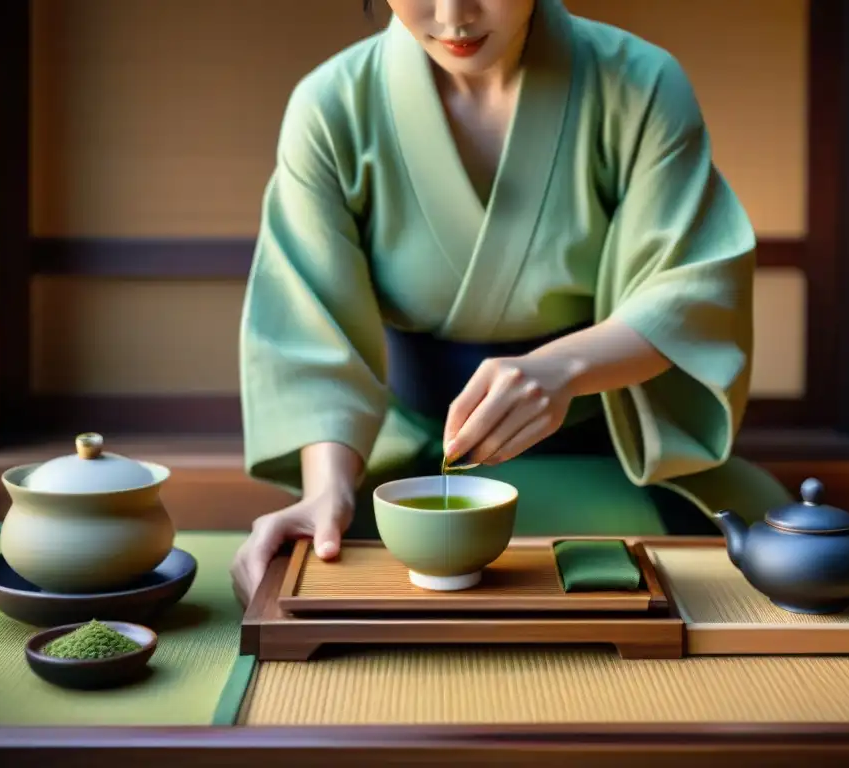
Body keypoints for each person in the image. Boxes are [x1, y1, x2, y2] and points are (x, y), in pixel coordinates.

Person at [231, 0, 793, 603]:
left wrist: (562, 370)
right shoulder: (332, 106)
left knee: (740, 577)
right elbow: (311, 321)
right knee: (333, 578)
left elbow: (689, 286)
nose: (453, 16)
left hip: (613, 443)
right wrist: (328, 491)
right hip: (422, 454)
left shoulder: (640, 83)